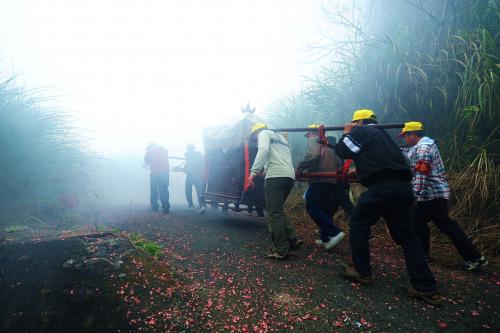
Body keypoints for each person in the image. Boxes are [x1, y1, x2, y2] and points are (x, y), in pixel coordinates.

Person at [334, 109, 441, 306]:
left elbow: (343, 151)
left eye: (352, 122)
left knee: (357, 223)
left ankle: (361, 271)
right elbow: (379, 161)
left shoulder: (362, 131)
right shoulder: (383, 137)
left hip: (383, 188)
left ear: (359, 122)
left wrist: (347, 133)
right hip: (402, 189)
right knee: (408, 237)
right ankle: (426, 288)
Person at [400, 121, 488, 271]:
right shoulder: (421, 146)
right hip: (427, 195)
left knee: (446, 225)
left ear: (413, 134)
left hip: (433, 195)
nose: (404, 140)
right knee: (418, 222)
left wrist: (414, 195)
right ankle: (423, 254)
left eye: (405, 136)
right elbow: (409, 154)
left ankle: (474, 258)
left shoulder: (424, 148)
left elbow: (422, 173)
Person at [247, 122, 303, 259]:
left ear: (256, 132)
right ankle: (292, 238)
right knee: (277, 210)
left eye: (254, 137)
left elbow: (263, 150)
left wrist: (252, 173)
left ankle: (281, 249)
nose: (255, 140)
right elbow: (278, 157)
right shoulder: (281, 138)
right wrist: (266, 169)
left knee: (273, 213)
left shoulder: (263, 133)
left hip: (275, 178)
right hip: (289, 176)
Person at [297, 125, 349, 250]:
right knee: (324, 209)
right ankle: (326, 238)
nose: (307, 137)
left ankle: (334, 232)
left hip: (319, 179)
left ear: (311, 133)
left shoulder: (314, 140)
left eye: (307, 134)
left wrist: (300, 167)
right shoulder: (328, 143)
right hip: (331, 179)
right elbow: (338, 162)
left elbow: (312, 155)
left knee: (312, 207)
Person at [144, 143, 170, 214]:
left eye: (149, 147)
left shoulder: (149, 153)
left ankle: (154, 207)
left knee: (153, 190)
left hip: (155, 174)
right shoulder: (163, 151)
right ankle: (166, 207)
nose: (148, 149)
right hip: (165, 173)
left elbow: (146, 161)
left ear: (152, 146)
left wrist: (146, 164)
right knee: (163, 190)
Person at [184, 143, 206, 214]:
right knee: (199, 191)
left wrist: (185, 168)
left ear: (189, 148)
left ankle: (191, 205)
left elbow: (189, 164)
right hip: (197, 175)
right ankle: (202, 206)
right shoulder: (199, 154)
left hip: (192, 175)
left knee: (188, 190)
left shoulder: (188, 154)